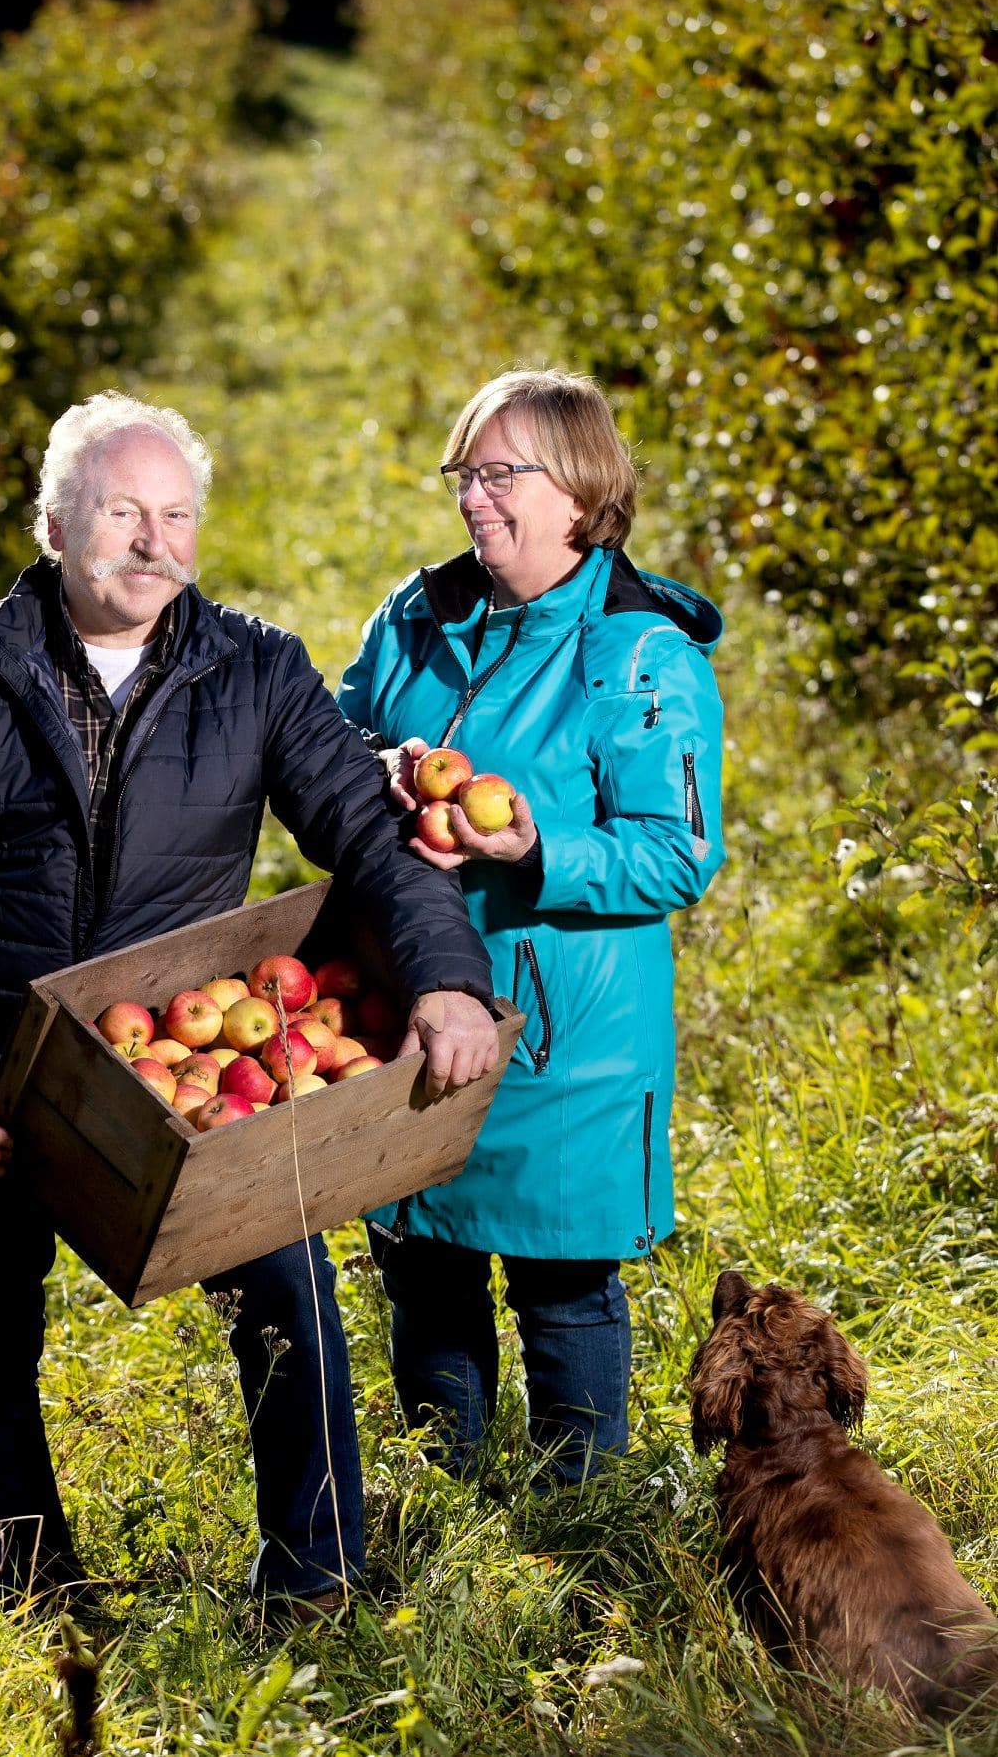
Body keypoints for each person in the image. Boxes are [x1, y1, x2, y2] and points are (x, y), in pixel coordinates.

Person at [0, 390, 499, 1616]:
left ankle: (318, 1582)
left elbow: (367, 834)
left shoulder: (251, 668)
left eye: (178, 513)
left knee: (292, 1298)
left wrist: (448, 978)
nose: (155, 541)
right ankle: (36, 1599)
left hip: (184, 1068)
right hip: (7, 1053)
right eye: (122, 512)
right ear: (54, 524)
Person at [335, 367, 725, 1487]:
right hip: (410, 1000)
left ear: (580, 490)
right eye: (466, 469)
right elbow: (328, 750)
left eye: (502, 472)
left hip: (566, 1036)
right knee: (425, 1267)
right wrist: (380, 771)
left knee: (561, 1287)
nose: (472, 495)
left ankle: (579, 1522)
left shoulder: (639, 655)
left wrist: (533, 843)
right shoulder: (417, 616)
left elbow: (675, 851)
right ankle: (449, 1501)